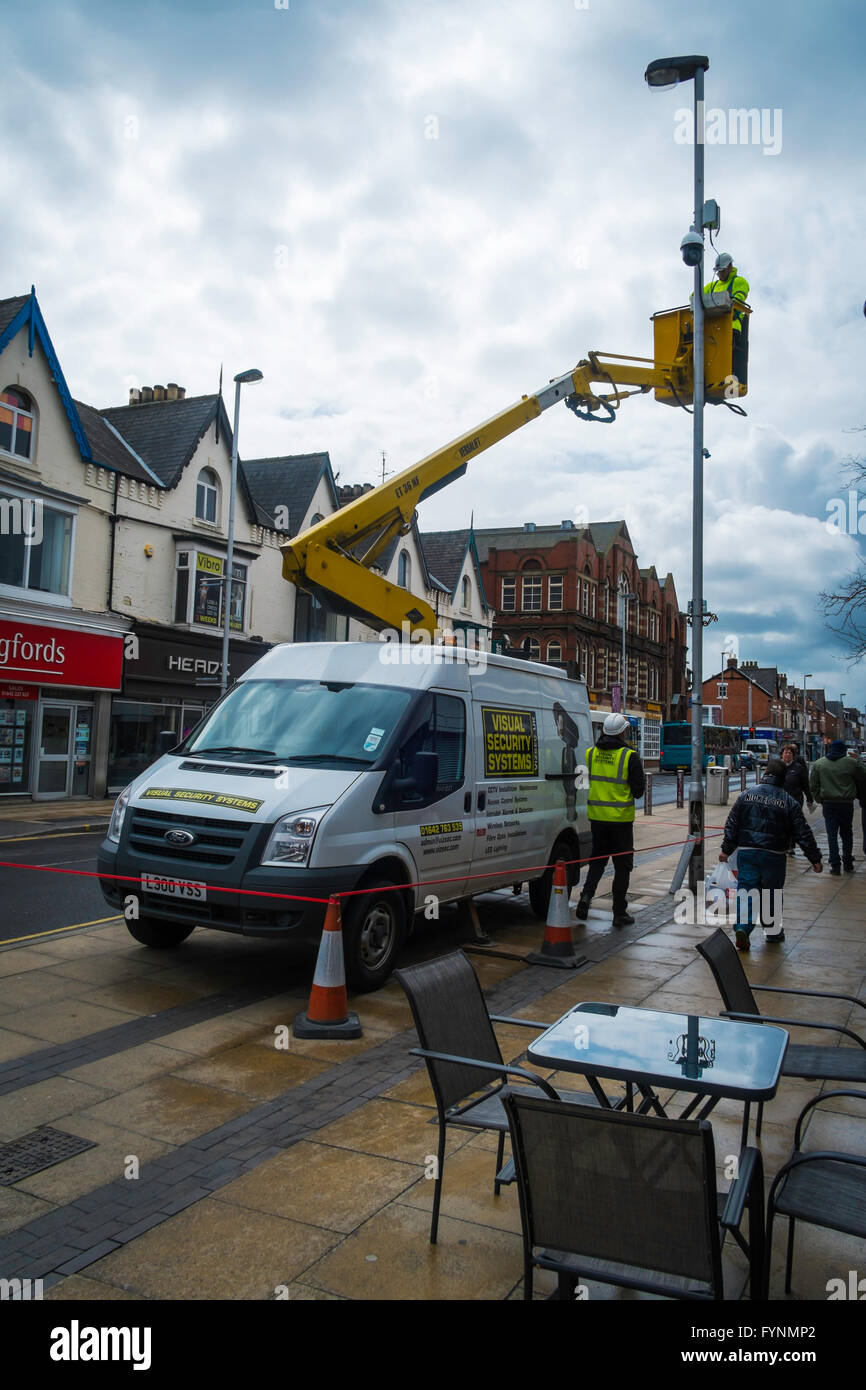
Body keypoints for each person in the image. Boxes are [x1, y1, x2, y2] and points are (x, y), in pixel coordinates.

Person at [720, 759, 822, 951]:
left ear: (765, 773)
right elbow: (803, 832)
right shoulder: (788, 801)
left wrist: (726, 849)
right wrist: (814, 858)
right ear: (783, 778)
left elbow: (732, 823)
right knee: (771, 894)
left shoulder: (746, 795)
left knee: (747, 891)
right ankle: (773, 932)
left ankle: (743, 927)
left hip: (747, 852)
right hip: (774, 854)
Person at [575, 712, 645, 928]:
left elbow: (583, 783)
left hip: (597, 818)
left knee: (597, 861)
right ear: (623, 732)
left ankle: (586, 897)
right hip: (621, 821)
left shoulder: (590, 754)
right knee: (622, 867)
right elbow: (639, 791)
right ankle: (619, 912)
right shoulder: (629, 756)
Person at [809, 739, 866, 874]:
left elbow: (813, 786)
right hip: (846, 803)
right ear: (844, 750)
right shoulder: (851, 763)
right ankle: (847, 862)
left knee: (831, 834)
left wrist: (819, 799)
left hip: (828, 803)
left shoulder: (819, 764)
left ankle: (835, 864)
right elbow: (864, 775)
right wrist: (858, 760)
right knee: (847, 833)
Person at [780, 742, 814, 856]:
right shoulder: (777, 766)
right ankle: (782, 844)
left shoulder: (798, 768)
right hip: (779, 799)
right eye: (785, 753)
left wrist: (809, 798)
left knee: (792, 823)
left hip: (795, 799)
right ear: (781, 755)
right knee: (781, 823)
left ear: (793, 755)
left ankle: (790, 845)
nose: (787, 755)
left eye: (789, 753)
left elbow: (805, 784)